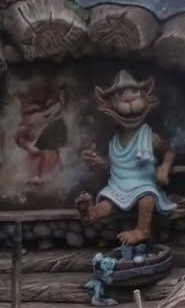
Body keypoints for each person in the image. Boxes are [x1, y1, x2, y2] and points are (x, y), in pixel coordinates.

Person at [75, 71, 176, 245]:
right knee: (107, 203)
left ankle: (142, 230)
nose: (129, 100)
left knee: (147, 199)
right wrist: (99, 161)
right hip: (118, 187)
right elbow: (113, 164)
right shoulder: (114, 141)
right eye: (120, 95)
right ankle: (91, 213)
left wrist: (164, 168)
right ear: (110, 105)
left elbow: (169, 151)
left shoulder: (150, 137)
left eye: (135, 93)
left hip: (143, 184)